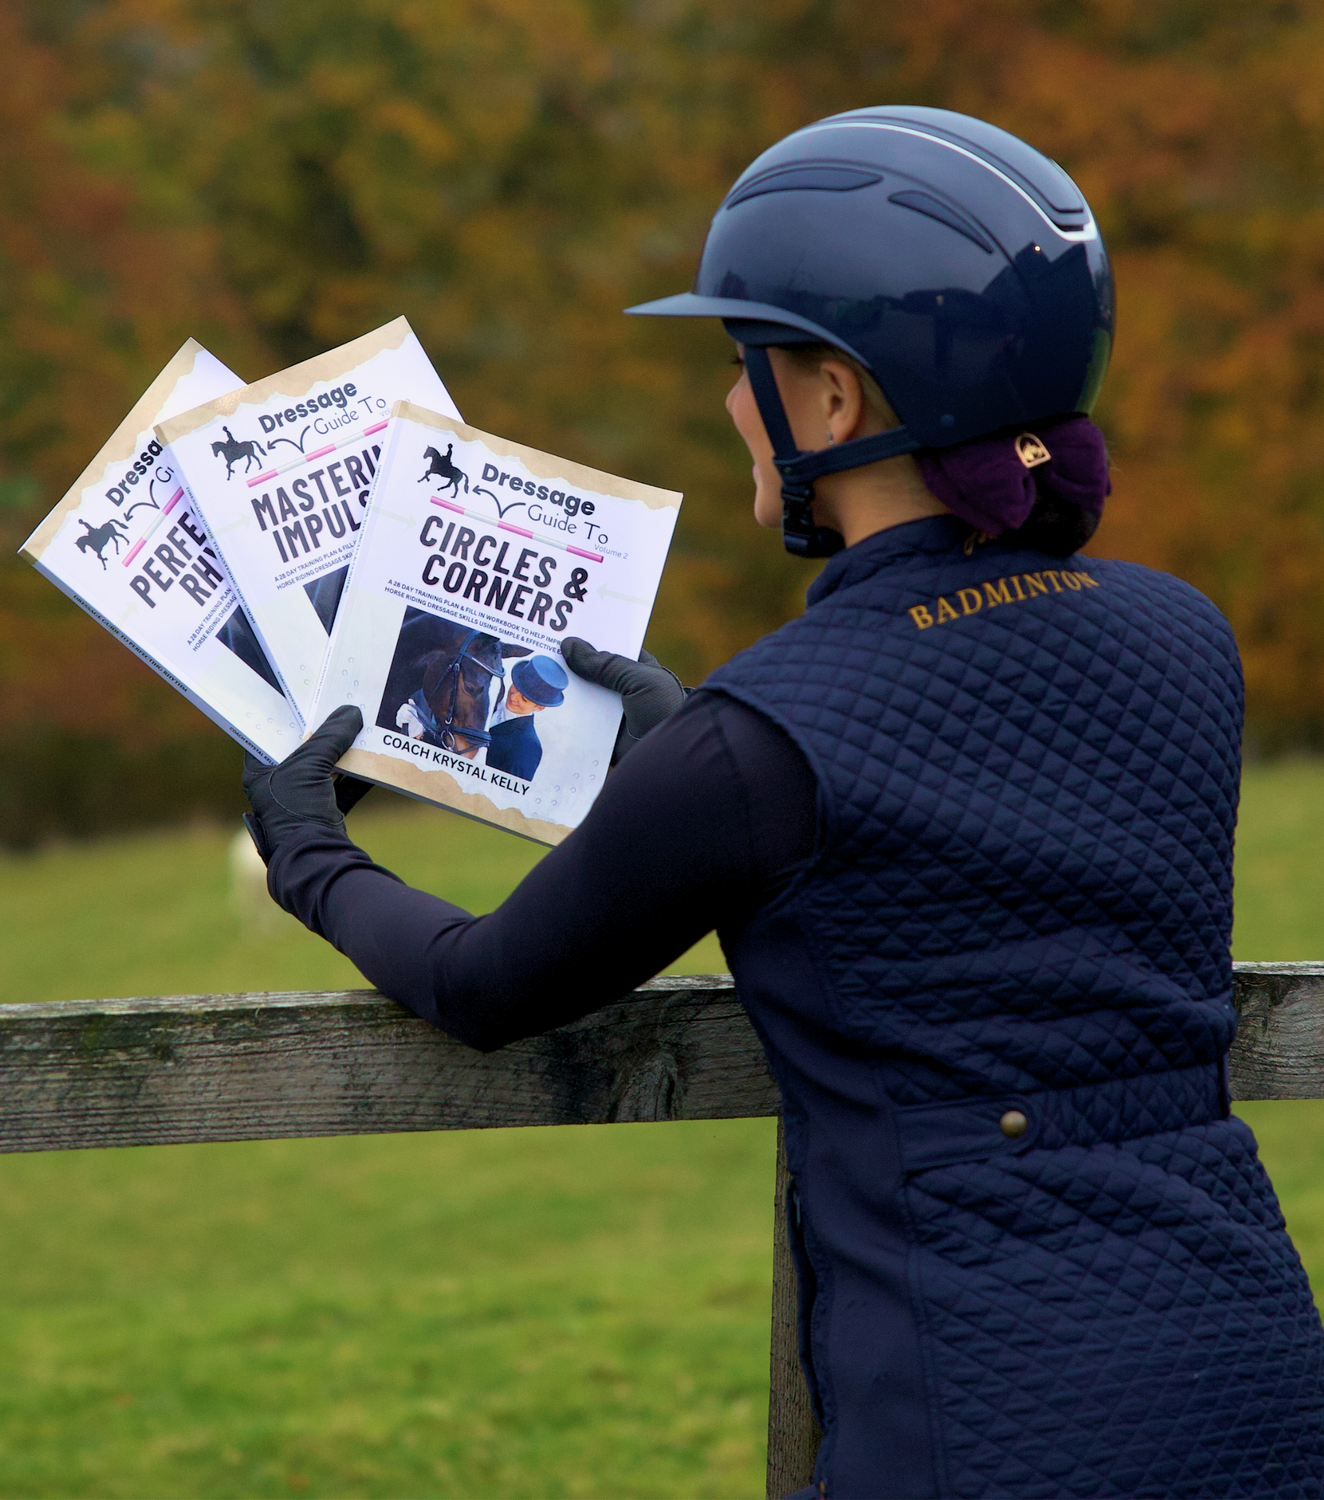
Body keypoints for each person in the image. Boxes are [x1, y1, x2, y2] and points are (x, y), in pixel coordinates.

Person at [242, 106, 1324, 1498]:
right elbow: (987, 857)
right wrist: (698, 758)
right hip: (1260, 1385)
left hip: (980, 1427)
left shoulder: (768, 736)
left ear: (831, 400)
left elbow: (485, 982)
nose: (731, 404)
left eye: (745, 364)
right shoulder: (1188, 636)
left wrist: (310, 852)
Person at [484, 653, 568, 781]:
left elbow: (504, 794)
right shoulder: (488, 700)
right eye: (515, 688)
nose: (513, 697)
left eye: (524, 699)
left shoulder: (528, 745)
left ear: (539, 707)